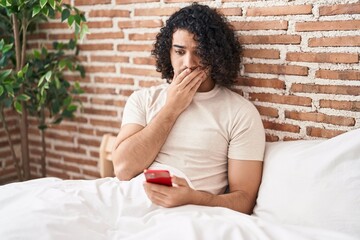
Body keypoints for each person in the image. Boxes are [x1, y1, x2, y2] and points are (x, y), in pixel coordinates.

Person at [112, 3, 265, 214]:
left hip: (188, 213)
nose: (189, 63)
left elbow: (244, 200)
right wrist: (172, 108)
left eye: (199, 52)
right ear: (169, 53)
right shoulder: (143, 99)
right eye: (180, 51)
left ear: (215, 55)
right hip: (127, 200)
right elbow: (122, 170)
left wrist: (194, 198)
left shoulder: (240, 113)